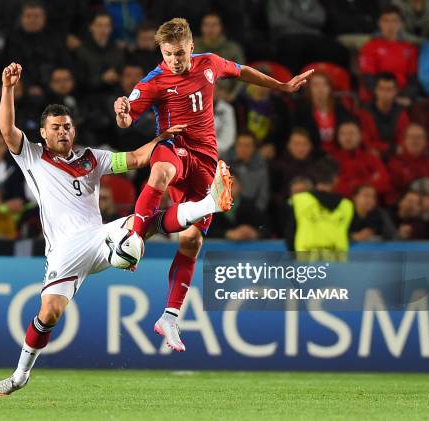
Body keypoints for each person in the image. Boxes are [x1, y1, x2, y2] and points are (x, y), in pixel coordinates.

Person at [0, 62, 233, 396]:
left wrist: (160, 141)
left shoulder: (91, 159)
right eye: (56, 127)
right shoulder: (32, 156)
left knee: (142, 222)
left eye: (67, 127)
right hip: (64, 251)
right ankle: (20, 375)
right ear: (43, 133)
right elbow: (6, 129)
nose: (63, 132)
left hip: (100, 238)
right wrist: (7, 88)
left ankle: (207, 204)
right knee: (50, 312)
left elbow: (132, 159)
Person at [113, 17, 312, 351]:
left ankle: (170, 316)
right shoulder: (154, 81)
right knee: (160, 172)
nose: (174, 60)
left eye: (179, 53)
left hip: (206, 161)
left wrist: (282, 86)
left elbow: (243, 71)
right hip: (175, 148)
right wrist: (121, 113)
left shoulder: (211, 64)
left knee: (191, 241)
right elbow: (127, 116)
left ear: (191, 46)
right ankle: (133, 239)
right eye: (167, 54)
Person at [285, 158, 354, 252]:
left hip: (307, 260)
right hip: (337, 260)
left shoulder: (299, 200)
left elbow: (290, 233)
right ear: (335, 179)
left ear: (316, 177)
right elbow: (348, 235)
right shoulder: (347, 205)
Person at [359, 6, 418, 104]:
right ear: (379, 23)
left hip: (402, 97)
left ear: (400, 24)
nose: (390, 25)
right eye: (386, 21)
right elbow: (368, 79)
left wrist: (405, 96)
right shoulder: (369, 47)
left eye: (394, 21)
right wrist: (390, 98)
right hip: (376, 99)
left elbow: (413, 80)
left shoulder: (410, 49)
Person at [358, 72, 410, 157]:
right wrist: (391, 148)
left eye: (389, 89)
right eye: (382, 89)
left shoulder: (402, 113)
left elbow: (404, 140)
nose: (385, 93)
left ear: (395, 91)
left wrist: (388, 149)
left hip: (396, 157)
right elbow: (365, 142)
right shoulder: (364, 112)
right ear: (375, 90)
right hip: (372, 156)